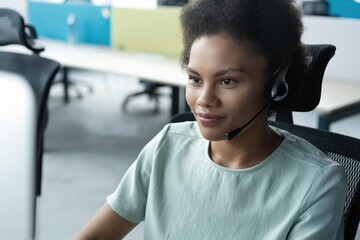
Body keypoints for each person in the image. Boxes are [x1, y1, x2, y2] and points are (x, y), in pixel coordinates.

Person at [72, 0, 347, 239]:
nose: (204, 98)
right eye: (195, 79)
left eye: (227, 81)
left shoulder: (317, 184)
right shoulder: (167, 146)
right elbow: (94, 235)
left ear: (276, 83)